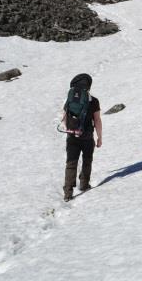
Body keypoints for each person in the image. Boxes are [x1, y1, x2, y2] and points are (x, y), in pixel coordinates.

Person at [62, 73, 103, 201]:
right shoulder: (94, 101)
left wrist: (70, 129)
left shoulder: (70, 98)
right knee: (87, 160)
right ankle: (84, 184)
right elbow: (97, 120)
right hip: (87, 136)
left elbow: (64, 117)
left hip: (72, 136)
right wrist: (99, 137)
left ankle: (68, 193)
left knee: (71, 163)